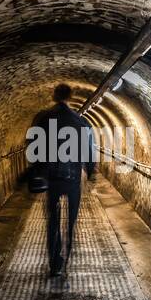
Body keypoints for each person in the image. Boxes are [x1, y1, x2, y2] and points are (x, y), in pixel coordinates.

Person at [27, 84, 97, 276]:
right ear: (70, 96)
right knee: (71, 220)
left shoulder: (43, 118)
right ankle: (69, 249)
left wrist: (36, 171)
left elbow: (33, 147)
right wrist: (90, 172)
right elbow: (89, 150)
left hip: (52, 178)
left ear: (54, 96)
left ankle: (55, 262)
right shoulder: (81, 122)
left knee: (53, 220)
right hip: (73, 178)